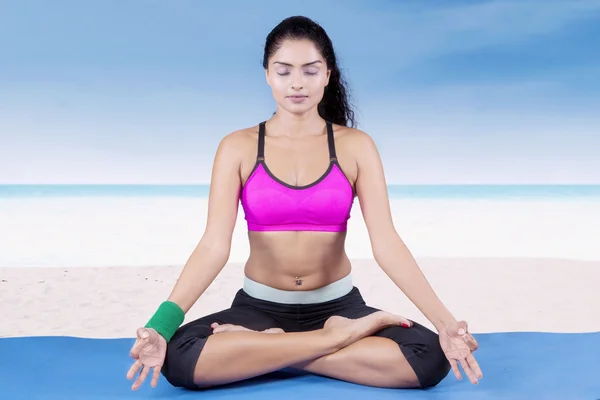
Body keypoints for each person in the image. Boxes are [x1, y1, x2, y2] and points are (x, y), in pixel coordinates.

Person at [126, 15, 482, 392]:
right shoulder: (238, 147)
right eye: (284, 71)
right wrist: (160, 326)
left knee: (429, 358)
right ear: (267, 74)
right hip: (257, 310)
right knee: (178, 357)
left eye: (310, 71)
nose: (297, 83)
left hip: (340, 308)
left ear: (328, 74)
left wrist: (446, 324)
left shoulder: (355, 146)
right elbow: (214, 245)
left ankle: (269, 352)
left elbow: (387, 243)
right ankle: (331, 341)